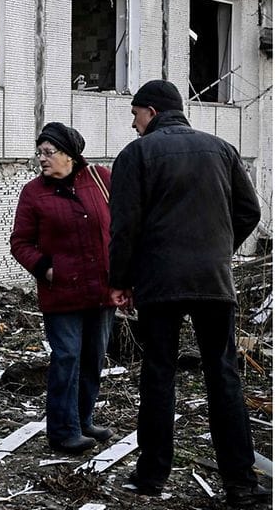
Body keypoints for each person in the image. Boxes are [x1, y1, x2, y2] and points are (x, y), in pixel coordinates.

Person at [109, 80, 268, 507]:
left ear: (153, 112)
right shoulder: (221, 149)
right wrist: (217, 251)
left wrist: (120, 279)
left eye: (136, 112)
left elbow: (124, 225)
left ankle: (151, 476)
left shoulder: (136, 155)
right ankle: (241, 483)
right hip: (213, 282)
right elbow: (250, 210)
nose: (133, 121)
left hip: (160, 285)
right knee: (223, 375)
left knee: (159, 374)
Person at [10, 122, 115, 454]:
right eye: (39, 152)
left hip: (101, 289)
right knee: (67, 357)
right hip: (62, 291)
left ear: (69, 154)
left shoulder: (100, 178)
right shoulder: (34, 192)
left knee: (93, 357)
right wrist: (46, 269)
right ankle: (62, 430)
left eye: (48, 152)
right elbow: (20, 242)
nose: (41, 158)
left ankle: (83, 419)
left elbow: (121, 225)